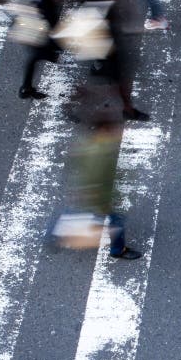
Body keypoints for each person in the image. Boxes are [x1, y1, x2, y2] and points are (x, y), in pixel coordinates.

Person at [80, 0, 150, 121]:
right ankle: (125, 109)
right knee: (114, 80)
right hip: (103, 43)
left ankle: (126, 108)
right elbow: (91, 18)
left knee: (114, 79)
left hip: (110, 40)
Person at [64, 107, 142, 260]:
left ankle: (56, 233)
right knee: (116, 219)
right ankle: (117, 250)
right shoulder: (101, 152)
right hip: (101, 194)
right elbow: (99, 176)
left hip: (95, 192)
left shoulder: (92, 145)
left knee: (86, 213)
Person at [18, 0, 66, 99]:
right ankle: (26, 88)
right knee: (38, 54)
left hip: (43, 27)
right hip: (40, 29)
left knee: (37, 55)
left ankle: (26, 88)